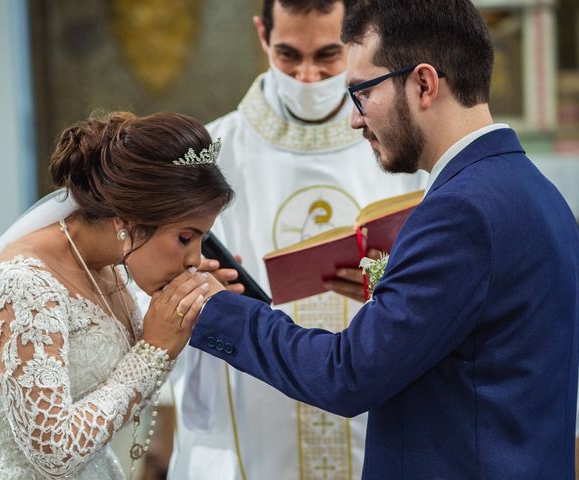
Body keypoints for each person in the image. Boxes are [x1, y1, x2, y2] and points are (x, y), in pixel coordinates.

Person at [184, 0, 579, 477]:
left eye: (363, 92)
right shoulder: (536, 190)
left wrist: (215, 307)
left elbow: (347, 376)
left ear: (424, 84)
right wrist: (392, 293)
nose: (354, 118)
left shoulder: (459, 212)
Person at [159, 1, 425, 479]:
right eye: (288, 55)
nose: (306, 76)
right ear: (262, 33)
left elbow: (433, 281)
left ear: (358, 40)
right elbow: (150, 285)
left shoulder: (399, 149)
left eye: (326, 56)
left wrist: (383, 277)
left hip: (373, 405)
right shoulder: (209, 156)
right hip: (250, 411)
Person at [0, 111, 234, 479]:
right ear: (129, 219)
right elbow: (54, 451)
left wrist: (187, 313)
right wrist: (154, 351)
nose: (195, 259)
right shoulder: (25, 283)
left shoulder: (108, 266)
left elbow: (124, 381)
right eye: (186, 238)